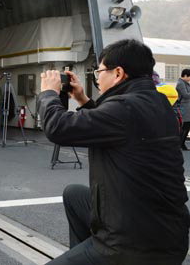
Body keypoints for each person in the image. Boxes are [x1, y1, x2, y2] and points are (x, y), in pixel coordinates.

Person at [38, 39, 189, 265]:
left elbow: (58, 128)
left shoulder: (125, 108)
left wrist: (49, 93)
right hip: (164, 229)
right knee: (74, 195)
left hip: (136, 245)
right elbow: (112, 125)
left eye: (99, 71)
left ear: (118, 73)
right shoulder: (155, 102)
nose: (97, 78)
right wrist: (82, 99)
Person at [176, 69, 190, 150]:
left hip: (187, 107)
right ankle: (180, 144)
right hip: (184, 108)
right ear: (185, 75)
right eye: (189, 77)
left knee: (187, 126)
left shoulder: (185, 83)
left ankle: (182, 144)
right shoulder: (180, 84)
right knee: (185, 126)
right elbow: (185, 95)